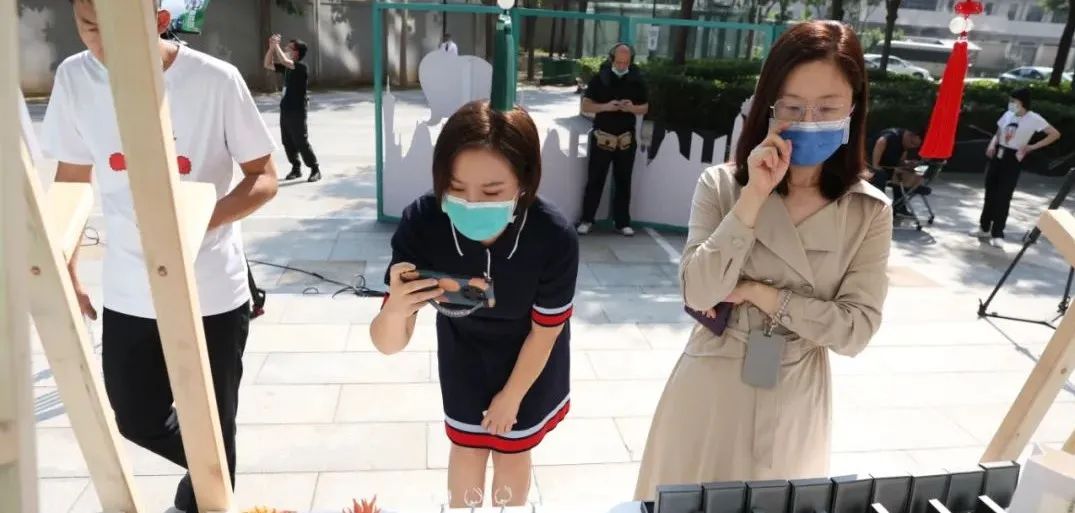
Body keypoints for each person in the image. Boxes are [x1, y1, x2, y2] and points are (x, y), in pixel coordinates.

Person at [634, 21, 892, 498]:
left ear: (854, 108)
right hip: (711, 381)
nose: (809, 120)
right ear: (768, 106)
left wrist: (760, 293)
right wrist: (754, 195)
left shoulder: (867, 210)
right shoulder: (722, 185)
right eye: (792, 107)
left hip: (796, 389)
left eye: (827, 108)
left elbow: (855, 331)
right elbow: (699, 290)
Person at [42, 1, 279, 512]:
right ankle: (213, 471)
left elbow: (263, 176)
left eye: (115, 28)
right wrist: (68, 266)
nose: (100, 42)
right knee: (135, 416)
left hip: (211, 287)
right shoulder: (76, 78)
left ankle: (203, 495)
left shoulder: (215, 80)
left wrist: (196, 222)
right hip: (130, 287)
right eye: (88, 27)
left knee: (214, 420)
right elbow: (72, 180)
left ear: (159, 21)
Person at [370, 101, 578, 507]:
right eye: (456, 187)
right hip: (463, 350)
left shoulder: (552, 237)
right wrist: (396, 309)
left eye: (492, 192)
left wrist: (512, 396)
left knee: (512, 448)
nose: (471, 202)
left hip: (530, 355)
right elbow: (387, 343)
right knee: (466, 446)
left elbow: (545, 332)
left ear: (525, 181)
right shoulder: (424, 223)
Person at [577, 42, 649, 237]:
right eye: (619, 62)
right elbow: (585, 105)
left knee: (624, 181)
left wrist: (631, 108)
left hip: (626, 139)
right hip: (603, 136)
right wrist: (606, 106)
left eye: (626, 63)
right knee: (595, 180)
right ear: (611, 59)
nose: (622, 66)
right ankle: (587, 220)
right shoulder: (600, 78)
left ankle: (622, 222)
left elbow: (645, 107)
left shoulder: (637, 80)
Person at [973, 88, 1061, 247]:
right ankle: (984, 227)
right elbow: (999, 131)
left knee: (1004, 195)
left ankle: (998, 233)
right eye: (1010, 100)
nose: (1011, 104)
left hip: (1013, 157)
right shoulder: (1008, 114)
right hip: (998, 153)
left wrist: (1032, 146)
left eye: (1014, 101)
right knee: (990, 192)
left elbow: (1054, 134)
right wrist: (992, 145)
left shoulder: (1034, 118)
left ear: (1023, 102)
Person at [263, 35, 321, 182]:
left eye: (289, 48)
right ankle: (296, 168)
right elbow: (267, 64)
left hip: (297, 110)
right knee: (287, 141)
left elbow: (284, 60)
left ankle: (315, 168)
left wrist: (276, 46)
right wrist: (271, 48)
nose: (285, 49)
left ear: (296, 52)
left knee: (301, 140)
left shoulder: (301, 67)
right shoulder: (287, 68)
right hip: (286, 109)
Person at [869, 126, 924, 216]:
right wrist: (875, 165)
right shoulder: (893, 136)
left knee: (900, 175)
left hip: (887, 166)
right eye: (912, 143)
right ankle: (880, 208)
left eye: (915, 146)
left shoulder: (904, 145)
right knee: (880, 175)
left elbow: (900, 161)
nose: (912, 146)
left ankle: (899, 206)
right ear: (909, 135)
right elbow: (881, 142)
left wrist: (907, 164)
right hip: (871, 163)